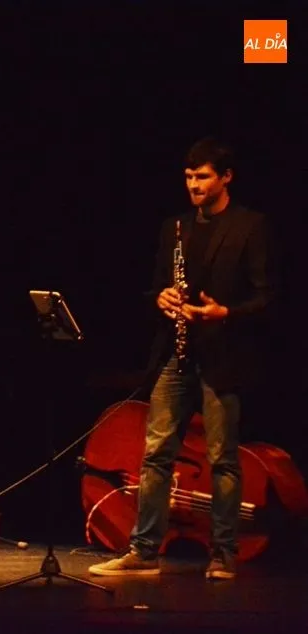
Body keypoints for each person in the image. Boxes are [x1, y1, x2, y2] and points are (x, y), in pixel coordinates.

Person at [88, 137, 277, 580]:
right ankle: (144, 551)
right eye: (189, 176)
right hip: (177, 352)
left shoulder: (251, 226)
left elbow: (268, 297)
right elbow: (154, 287)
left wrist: (223, 312)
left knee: (222, 458)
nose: (193, 184)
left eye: (203, 176)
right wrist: (162, 299)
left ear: (226, 177)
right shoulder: (175, 227)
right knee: (155, 453)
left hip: (223, 355)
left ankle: (223, 554)